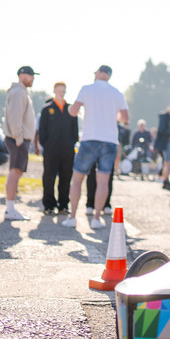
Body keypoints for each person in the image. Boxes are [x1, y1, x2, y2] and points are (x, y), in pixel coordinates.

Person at [63, 65, 129, 229]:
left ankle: (72, 217)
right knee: (103, 181)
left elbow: (73, 111)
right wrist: (111, 116)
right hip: (109, 140)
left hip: (89, 138)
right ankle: (96, 219)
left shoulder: (86, 89)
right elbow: (125, 117)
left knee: (77, 179)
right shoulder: (117, 93)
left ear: (99, 73)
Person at [37, 82, 79, 216]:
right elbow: (42, 131)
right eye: (58, 90)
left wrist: (71, 143)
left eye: (63, 90)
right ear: (54, 91)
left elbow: (75, 131)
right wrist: (47, 144)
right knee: (49, 177)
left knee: (66, 178)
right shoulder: (47, 109)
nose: (61, 92)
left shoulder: (71, 109)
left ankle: (63, 205)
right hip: (51, 150)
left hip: (67, 150)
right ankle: (49, 205)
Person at [3, 65, 38, 221]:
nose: (33, 78)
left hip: (20, 138)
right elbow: (14, 117)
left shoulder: (22, 92)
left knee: (17, 172)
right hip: (18, 139)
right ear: (22, 75)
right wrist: (18, 138)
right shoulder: (18, 92)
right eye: (30, 75)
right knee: (15, 172)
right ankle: (10, 209)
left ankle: (11, 208)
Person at [154, 102, 170, 190]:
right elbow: (162, 130)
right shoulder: (164, 117)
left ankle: (166, 179)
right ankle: (165, 180)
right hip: (167, 143)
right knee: (168, 163)